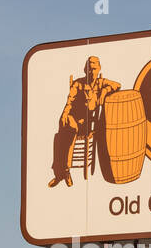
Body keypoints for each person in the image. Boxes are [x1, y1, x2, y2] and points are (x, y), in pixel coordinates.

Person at [50, 55, 120, 187]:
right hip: (73, 120)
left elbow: (117, 85)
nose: (91, 71)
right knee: (63, 132)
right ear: (85, 70)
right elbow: (69, 101)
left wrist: (105, 91)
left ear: (98, 69)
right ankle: (63, 172)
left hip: (88, 124)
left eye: (94, 69)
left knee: (63, 136)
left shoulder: (101, 83)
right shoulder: (78, 83)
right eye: (89, 68)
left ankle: (62, 172)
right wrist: (65, 114)